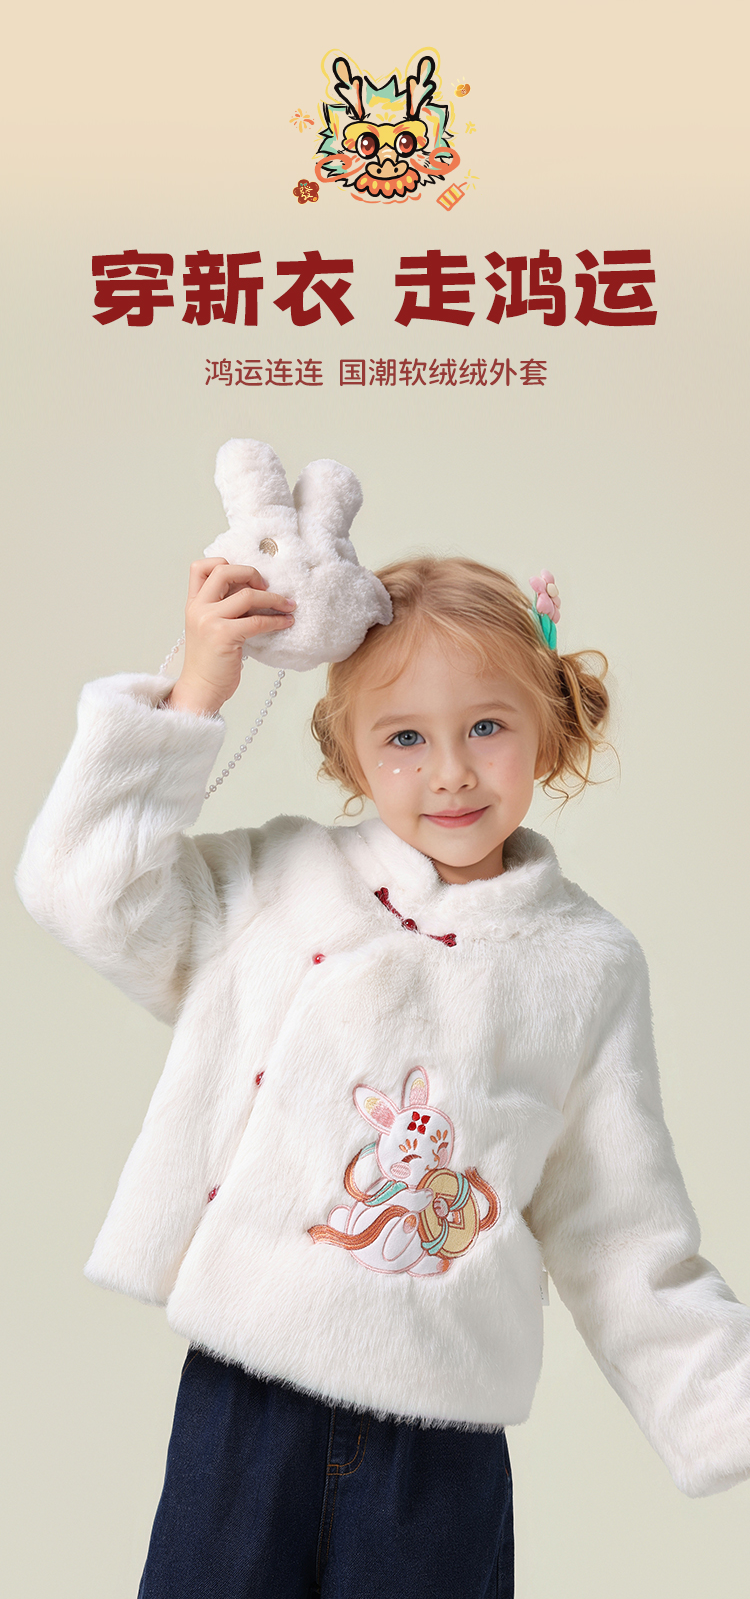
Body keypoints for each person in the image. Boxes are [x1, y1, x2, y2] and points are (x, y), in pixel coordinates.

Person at [16, 553, 750, 1599]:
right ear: (349, 753)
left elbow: (618, 1226)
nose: (450, 771)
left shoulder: (585, 964)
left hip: (438, 1444)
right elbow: (83, 889)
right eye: (405, 737)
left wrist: (723, 1406)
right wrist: (194, 694)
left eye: (486, 726)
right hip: (246, 1404)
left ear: (548, 726)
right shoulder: (279, 883)